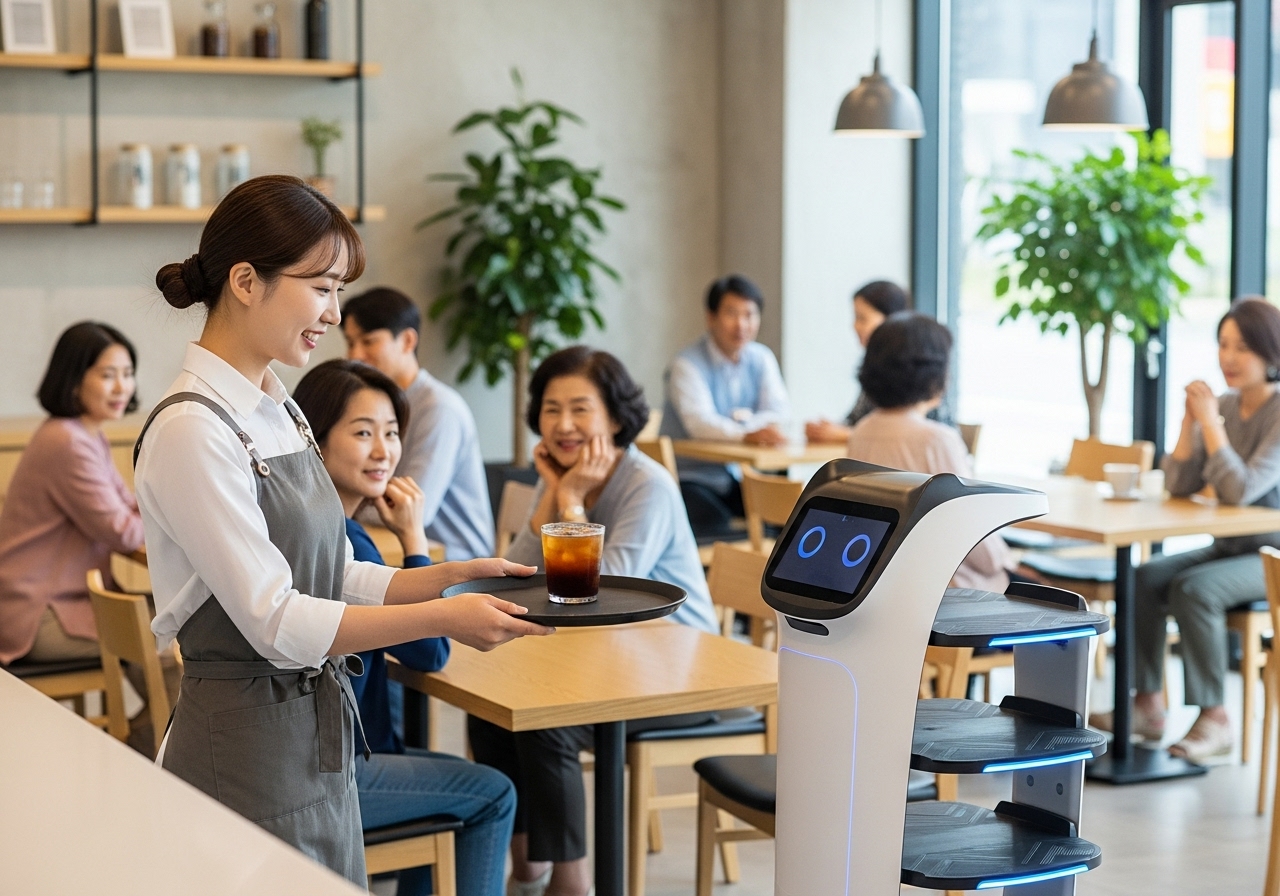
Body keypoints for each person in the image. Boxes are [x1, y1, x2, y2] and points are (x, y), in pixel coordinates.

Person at [138, 174, 551, 884]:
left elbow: (324, 572)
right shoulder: (190, 430)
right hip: (243, 748)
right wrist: (442, 617)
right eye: (322, 286)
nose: (335, 313)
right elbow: (275, 620)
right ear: (245, 280)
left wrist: (442, 577)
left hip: (314, 741)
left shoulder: (279, 408)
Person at [471, 346, 719, 896]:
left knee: (548, 719)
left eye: (581, 409)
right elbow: (519, 573)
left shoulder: (645, 483)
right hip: (609, 659)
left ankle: (572, 881)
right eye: (552, 408)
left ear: (614, 416)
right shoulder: (562, 473)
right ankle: (527, 865)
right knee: (494, 710)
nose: (563, 424)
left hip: (686, 667)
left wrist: (574, 501)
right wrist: (552, 499)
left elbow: (605, 594)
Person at [292, 359, 516, 896]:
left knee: (452, 788)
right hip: (332, 771)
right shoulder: (345, 538)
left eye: (391, 433)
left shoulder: (315, 523)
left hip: (321, 755)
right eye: (363, 432)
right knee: (493, 793)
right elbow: (430, 653)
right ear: (314, 439)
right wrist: (414, 540)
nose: (383, 451)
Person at [1127, 297, 1280, 762]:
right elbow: (1178, 484)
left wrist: (1210, 424)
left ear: (1271, 352)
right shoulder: (1226, 406)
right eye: (1223, 345)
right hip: (1231, 547)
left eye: (1242, 348)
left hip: (1272, 557)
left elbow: (1239, 489)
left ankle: (1216, 717)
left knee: (1195, 590)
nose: (1228, 358)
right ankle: (1147, 704)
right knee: (1146, 577)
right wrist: (1188, 421)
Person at [0, 322, 145, 665]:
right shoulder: (67, 441)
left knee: (165, 627)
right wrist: (174, 519)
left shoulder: (87, 435)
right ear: (75, 379)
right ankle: (156, 721)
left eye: (128, 373)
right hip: (39, 613)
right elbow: (122, 531)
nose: (122, 386)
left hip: (63, 601)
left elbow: (125, 508)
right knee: (169, 636)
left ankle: (150, 721)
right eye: (108, 375)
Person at [844, 313, 1015, 592]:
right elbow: (973, 534)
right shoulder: (936, 440)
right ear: (932, 372)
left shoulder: (862, 430)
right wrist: (1004, 560)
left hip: (884, 587)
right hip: (949, 593)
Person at [342, 286, 494, 560]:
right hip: (407, 549)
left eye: (368, 341)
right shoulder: (385, 403)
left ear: (408, 341)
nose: (355, 355)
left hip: (457, 561)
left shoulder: (439, 408)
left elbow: (413, 511)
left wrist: (344, 498)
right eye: (351, 343)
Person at [660, 274, 791, 523]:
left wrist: (745, 428)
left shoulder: (761, 358)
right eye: (731, 314)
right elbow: (699, 423)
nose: (741, 324)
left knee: (785, 514)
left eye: (749, 315)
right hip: (690, 477)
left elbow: (779, 412)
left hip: (737, 475)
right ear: (711, 317)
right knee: (718, 522)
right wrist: (748, 433)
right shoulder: (686, 364)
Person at [808, 279, 943, 444]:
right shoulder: (875, 364)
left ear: (892, 320)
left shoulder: (911, 368)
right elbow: (856, 419)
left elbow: (907, 430)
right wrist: (828, 429)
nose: (855, 326)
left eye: (862, 319)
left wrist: (844, 434)